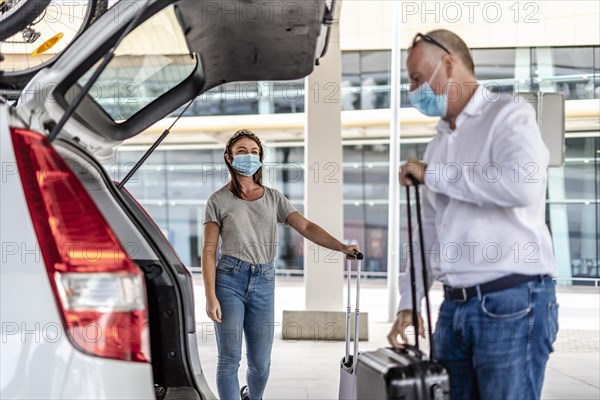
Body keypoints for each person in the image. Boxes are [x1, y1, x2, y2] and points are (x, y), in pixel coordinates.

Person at [387, 30, 559, 400]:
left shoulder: (508, 115)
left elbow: (522, 185)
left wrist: (432, 173)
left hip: (511, 300)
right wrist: (408, 301)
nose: (413, 88)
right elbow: (428, 231)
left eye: (417, 78)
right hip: (454, 308)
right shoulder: (439, 142)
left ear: (448, 64)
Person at [202, 129, 360, 400]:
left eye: (254, 151)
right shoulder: (217, 201)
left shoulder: (274, 198)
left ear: (260, 158)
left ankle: (254, 396)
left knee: (261, 362)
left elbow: (307, 226)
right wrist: (210, 296)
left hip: (264, 279)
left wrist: (342, 247)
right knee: (229, 359)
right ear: (228, 157)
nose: (248, 156)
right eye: (242, 151)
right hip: (229, 279)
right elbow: (208, 251)